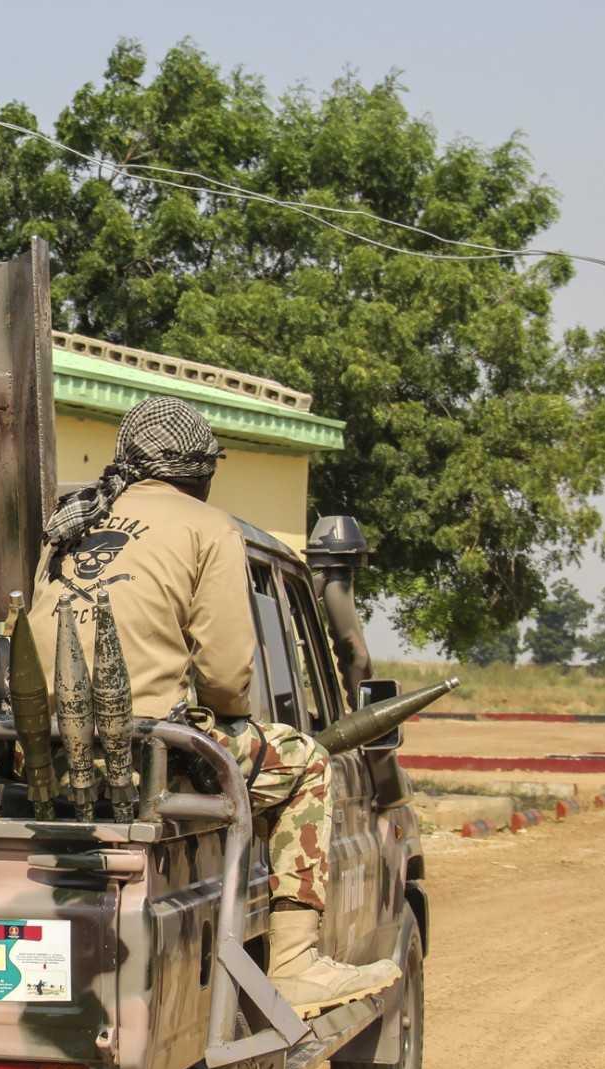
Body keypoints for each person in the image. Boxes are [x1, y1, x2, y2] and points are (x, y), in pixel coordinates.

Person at [26, 396, 400, 1017]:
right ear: (203, 473)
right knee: (305, 760)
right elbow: (227, 678)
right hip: (151, 759)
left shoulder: (70, 523)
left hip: (45, 756)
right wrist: (223, 714)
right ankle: (297, 965)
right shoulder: (209, 528)